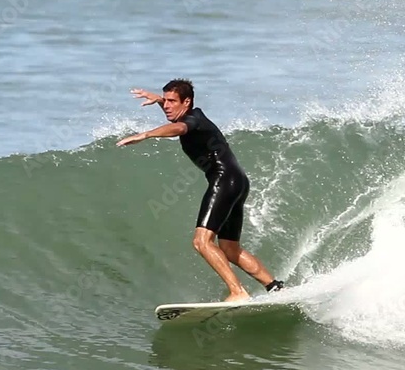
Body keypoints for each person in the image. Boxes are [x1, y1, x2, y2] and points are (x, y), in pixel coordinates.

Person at [117, 78, 284, 302]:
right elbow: (179, 118)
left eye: (171, 101)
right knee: (230, 248)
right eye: (165, 100)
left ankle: (238, 292)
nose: (167, 106)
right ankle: (274, 286)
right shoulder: (194, 115)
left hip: (224, 180)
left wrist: (146, 134)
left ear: (187, 102)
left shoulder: (192, 120)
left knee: (201, 242)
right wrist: (158, 100)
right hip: (238, 181)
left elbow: (179, 127)